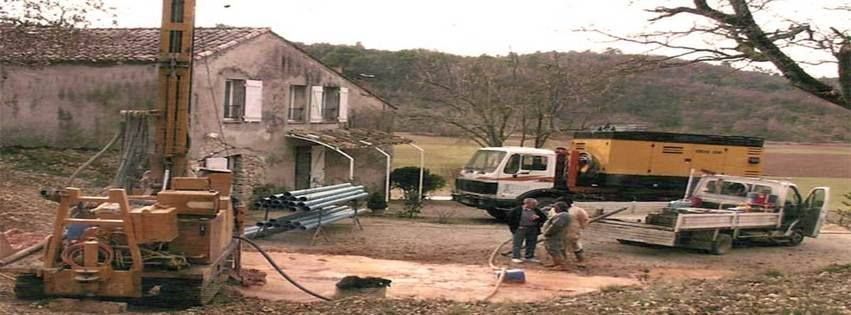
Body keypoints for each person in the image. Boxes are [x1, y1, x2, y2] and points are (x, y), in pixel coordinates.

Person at [506, 198, 547, 263]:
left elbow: (544, 218)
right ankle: (516, 257)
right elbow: (509, 219)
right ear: (527, 204)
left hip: (533, 229)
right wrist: (514, 228)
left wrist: (538, 218)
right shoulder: (516, 210)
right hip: (520, 228)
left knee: (531, 243)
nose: (535, 206)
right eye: (533, 204)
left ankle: (529, 256)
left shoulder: (536, 210)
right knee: (517, 243)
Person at [542, 202, 572, 270]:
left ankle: (561, 265)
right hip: (555, 235)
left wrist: (547, 232)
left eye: (555, 207)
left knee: (554, 250)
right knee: (552, 249)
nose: (554, 208)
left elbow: (556, 226)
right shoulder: (562, 215)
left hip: (554, 235)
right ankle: (556, 263)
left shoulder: (562, 215)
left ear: (559, 208)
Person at [564, 199, 590, 264]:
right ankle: (563, 262)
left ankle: (581, 261)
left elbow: (585, 219)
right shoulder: (555, 209)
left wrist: (581, 227)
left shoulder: (577, 210)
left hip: (573, 231)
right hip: (560, 232)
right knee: (561, 247)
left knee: (576, 246)